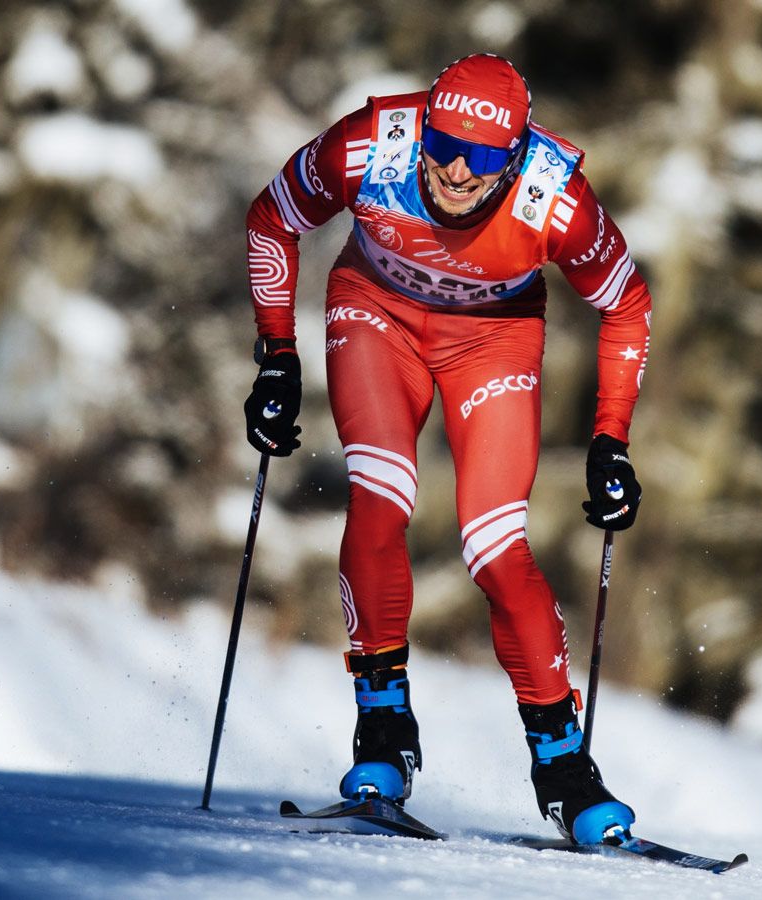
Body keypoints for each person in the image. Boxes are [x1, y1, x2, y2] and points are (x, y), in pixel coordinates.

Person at [242, 53, 650, 844]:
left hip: (493, 341)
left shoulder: (555, 199)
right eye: (447, 145)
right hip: (376, 316)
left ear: (518, 153)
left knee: (497, 548)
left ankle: (564, 767)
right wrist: (278, 358)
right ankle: (384, 733)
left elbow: (627, 306)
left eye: (487, 156)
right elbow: (272, 219)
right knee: (380, 499)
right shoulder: (364, 148)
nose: (460, 170)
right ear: (423, 127)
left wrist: (610, 439)